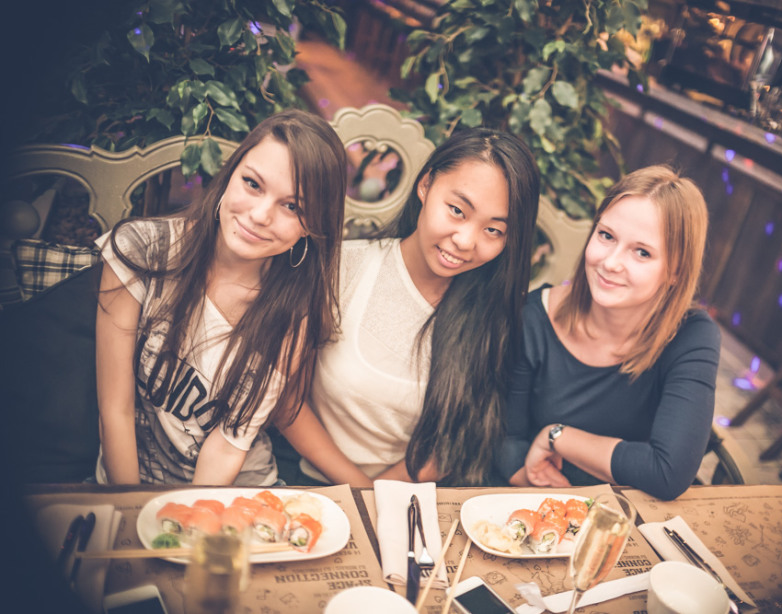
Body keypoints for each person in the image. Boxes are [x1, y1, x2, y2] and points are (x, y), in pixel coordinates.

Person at [94, 109, 346, 485]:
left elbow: (226, 447)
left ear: (311, 227)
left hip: (231, 493)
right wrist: (130, 509)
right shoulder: (141, 251)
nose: (260, 215)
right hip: (126, 484)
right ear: (229, 175)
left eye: (292, 206)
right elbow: (115, 409)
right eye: (252, 184)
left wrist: (190, 518)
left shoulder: (291, 317)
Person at [279, 127, 540, 486]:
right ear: (426, 185)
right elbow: (284, 399)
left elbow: (454, 441)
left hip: (412, 498)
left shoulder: (493, 313)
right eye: (457, 210)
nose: (466, 241)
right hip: (313, 484)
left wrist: (384, 498)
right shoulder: (341, 270)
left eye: (493, 230)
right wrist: (362, 492)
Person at [496, 165, 720, 500]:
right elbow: (506, 442)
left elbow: (668, 473)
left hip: (632, 510)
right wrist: (560, 505)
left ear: (675, 271)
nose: (612, 262)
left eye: (642, 252)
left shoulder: (691, 336)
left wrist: (557, 436)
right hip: (537, 497)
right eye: (607, 236)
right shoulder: (530, 318)